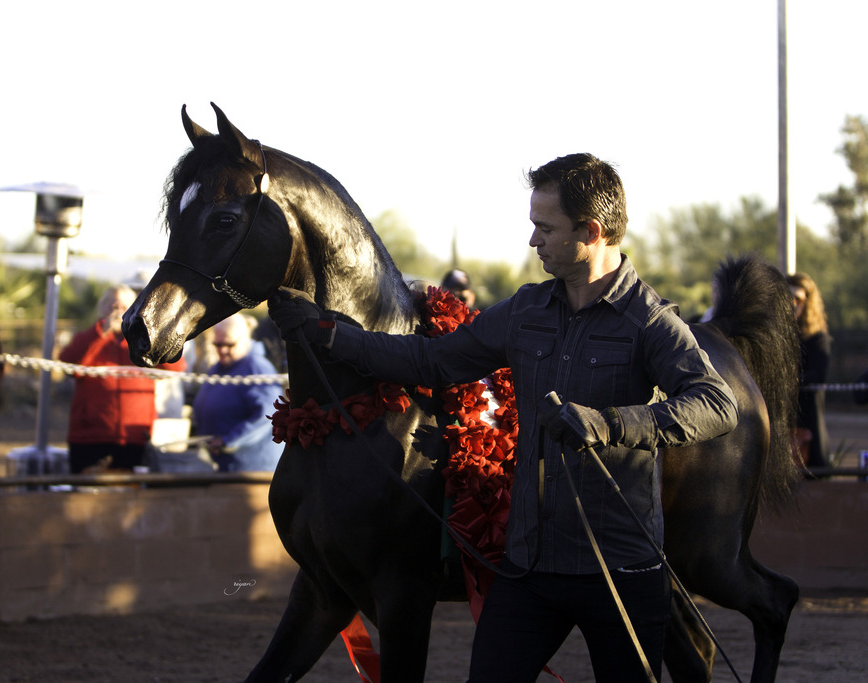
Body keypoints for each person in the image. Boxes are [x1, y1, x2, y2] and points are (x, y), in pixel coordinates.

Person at [268, 153, 739, 682]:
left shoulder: (650, 320)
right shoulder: (525, 311)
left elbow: (717, 404)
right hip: (530, 570)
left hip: (621, 573)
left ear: (592, 231)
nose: (533, 240)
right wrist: (333, 335)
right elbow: (432, 360)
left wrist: (611, 425)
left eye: (545, 227)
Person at [59, 284, 185, 473]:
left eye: (124, 308)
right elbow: (68, 364)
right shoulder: (88, 337)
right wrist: (100, 333)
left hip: (134, 436)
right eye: (113, 307)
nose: (118, 313)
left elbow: (175, 367)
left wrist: (150, 335)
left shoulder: (143, 340)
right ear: (102, 310)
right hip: (90, 436)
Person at [191, 313, 283, 472]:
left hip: (251, 468)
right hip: (223, 465)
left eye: (229, 345)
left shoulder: (257, 368)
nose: (222, 350)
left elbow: (267, 415)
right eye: (217, 344)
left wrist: (228, 441)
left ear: (244, 339)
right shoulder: (218, 368)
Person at [787, 272, 831, 469]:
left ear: (807, 302)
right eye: (788, 298)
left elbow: (818, 374)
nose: (793, 303)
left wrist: (789, 381)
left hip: (807, 415)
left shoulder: (818, 338)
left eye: (798, 299)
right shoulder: (777, 335)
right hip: (781, 415)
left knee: (814, 472)